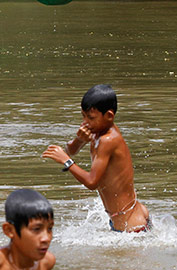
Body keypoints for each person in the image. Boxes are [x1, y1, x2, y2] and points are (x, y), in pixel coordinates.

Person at [42, 85, 151, 233]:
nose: (85, 122)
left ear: (109, 116)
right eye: (83, 116)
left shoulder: (108, 140)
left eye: (91, 118)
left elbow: (92, 182)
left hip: (132, 228)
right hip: (126, 221)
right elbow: (71, 150)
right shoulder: (98, 130)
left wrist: (66, 161)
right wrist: (79, 140)